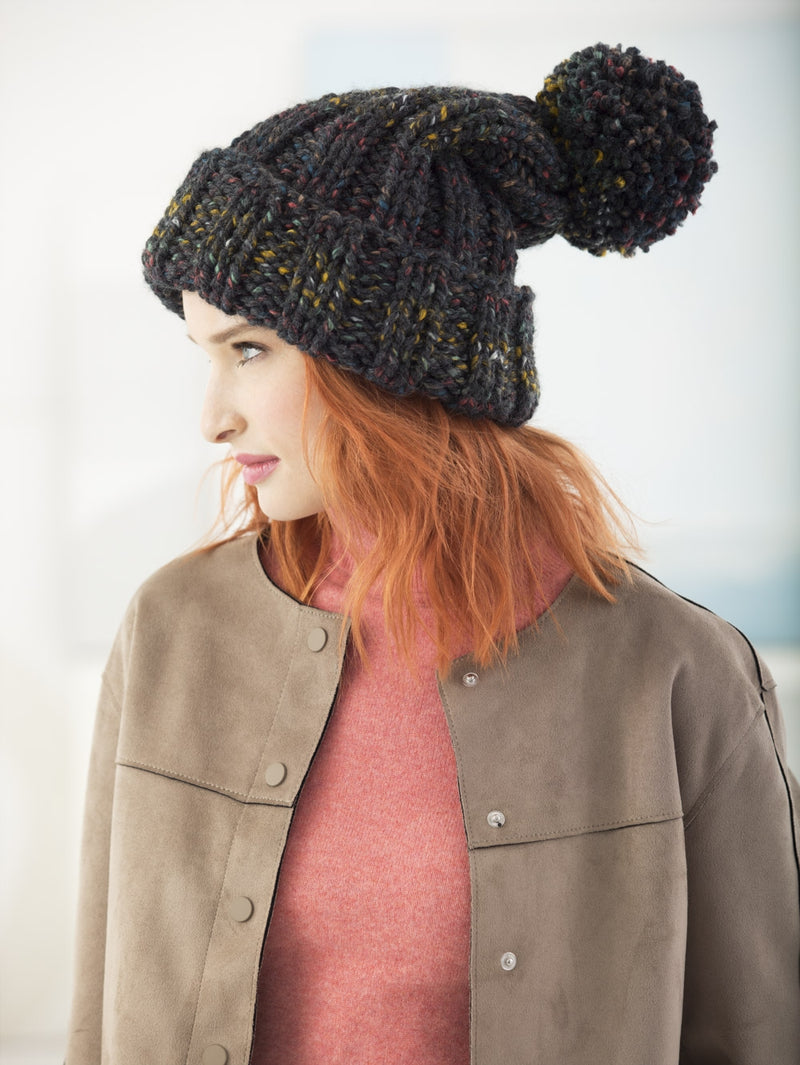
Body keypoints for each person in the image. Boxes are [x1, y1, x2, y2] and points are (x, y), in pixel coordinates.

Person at [66, 42, 800, 1065]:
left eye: (249, 349)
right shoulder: (172, 634)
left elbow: (758, 1034)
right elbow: (103, 1020)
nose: (212, 418)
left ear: (385, 360)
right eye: (206, 355)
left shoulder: (676, 673)